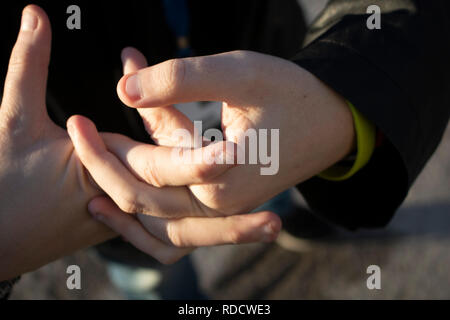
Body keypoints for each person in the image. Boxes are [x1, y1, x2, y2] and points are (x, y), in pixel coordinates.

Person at [1, 0, 450, 299]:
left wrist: (340, 94)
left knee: (267, 177)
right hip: (113, 204)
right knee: (158, 277)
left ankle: (282, 212)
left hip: (276, 81)